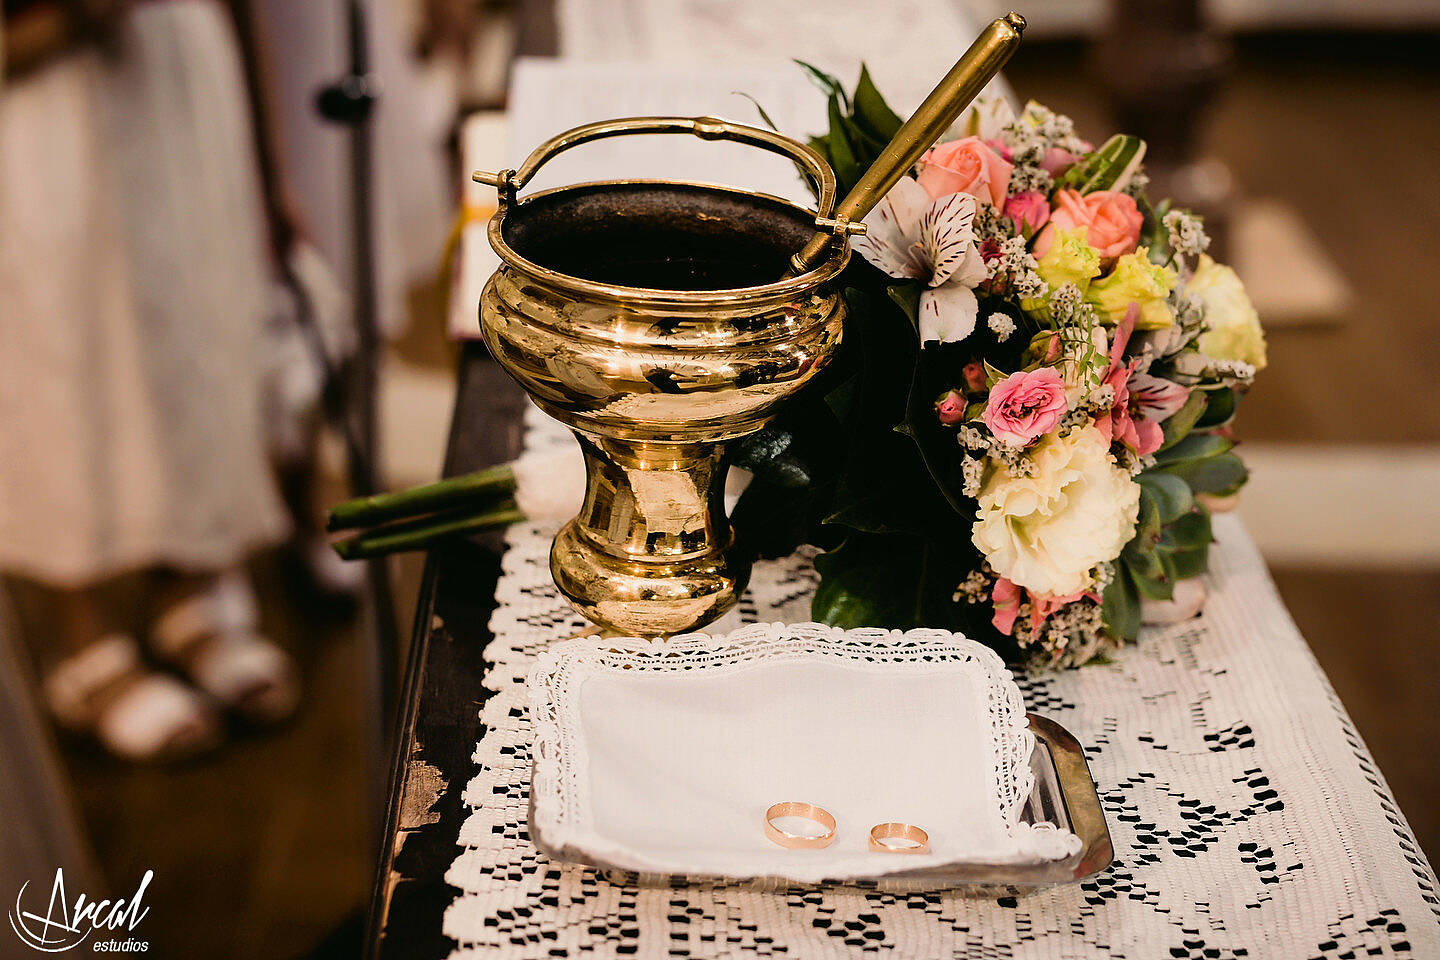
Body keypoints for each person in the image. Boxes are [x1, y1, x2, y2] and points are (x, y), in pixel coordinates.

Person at [0, 0, 302, 761]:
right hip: (34, 81)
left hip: (169, 71)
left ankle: (187, 583)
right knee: (55, 343)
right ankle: (83, 632)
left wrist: (272, 165)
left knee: (190, 323)